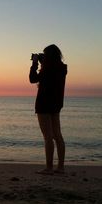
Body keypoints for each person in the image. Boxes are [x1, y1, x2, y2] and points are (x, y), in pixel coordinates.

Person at [29, 44, 67, 175]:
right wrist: (42, 62)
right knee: (58, 135)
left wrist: (35, 63)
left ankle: (49, 168)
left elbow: (32, 79)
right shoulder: (62, 68)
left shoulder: (47, 69)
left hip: (44, 104)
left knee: (48, 137)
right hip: (56, 104)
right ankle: (60, 167)